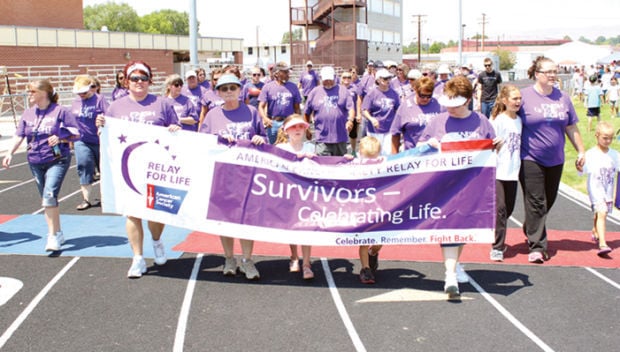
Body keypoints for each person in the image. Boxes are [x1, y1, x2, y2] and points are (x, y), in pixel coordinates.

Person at [95, 60, 181, 278]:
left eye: (143, 78)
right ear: (126, 81)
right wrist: (101, 128)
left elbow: (177, 131)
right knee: (133, 213)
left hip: (157, 168)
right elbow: (106, 135)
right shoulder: (115, 106)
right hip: (129, 169)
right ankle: (138, 258)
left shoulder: (163, 104)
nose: (139, 82)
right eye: (134, 78)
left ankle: (157, 240)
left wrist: (174, 129)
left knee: (156, 212)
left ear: (150, 81)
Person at [418, 75, 496, 298]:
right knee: (450, 227)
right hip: (445, 185)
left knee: (462, 228)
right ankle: (450, 274)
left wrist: (495, 146)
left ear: (468, 100)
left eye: (456, 104)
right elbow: (418, 146)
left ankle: (454, 264)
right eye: (448, 103)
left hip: (472, 186)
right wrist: (428, 145)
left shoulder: (482, 121)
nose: (450, 109)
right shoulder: (437, 122)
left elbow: (491, 148)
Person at [199, 73, 267, 280]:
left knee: (247, 219)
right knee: (225, 219)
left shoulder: (252, 112)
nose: (229, 92)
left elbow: (264, 138)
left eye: (232, 88)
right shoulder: (212, 115)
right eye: (224, 89)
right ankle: (229, 258)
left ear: (240, 90)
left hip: (248, 175)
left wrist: (259, 138)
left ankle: (247, 259)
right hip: (223, 176)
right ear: (218, 92)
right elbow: (202, 142)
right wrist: (217, 139)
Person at [519, 56, 586, 264]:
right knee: (536, 200)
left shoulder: (563, 98)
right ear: (537, 74)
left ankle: (531, 225)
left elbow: (571, 126)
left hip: (556, 158)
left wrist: (581, 151)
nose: (552, 75)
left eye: (555, 71)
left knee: (548, 200)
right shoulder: (523, 97)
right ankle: (537, 247)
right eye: (548, 72)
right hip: (530, 157)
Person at [2, 79, 80, 251]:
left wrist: (61, 137)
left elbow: (76, 132)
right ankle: (57, 232)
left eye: (31, 91)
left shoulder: (61, 111)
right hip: (35, 160)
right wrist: (10, 153)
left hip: (57, 159)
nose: (28, 94)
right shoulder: (28, 113)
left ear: (43, 93)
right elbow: (19, 135)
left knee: (49, 195)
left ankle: (52, 236)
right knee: (47, 199)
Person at [274, 114, 316, 280]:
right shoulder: (281, 148)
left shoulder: (311, 148)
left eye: (300, 126)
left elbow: (322, 167)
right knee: (292, 227)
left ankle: (306, 263)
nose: (297, 130)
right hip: (288, 194)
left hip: (307, 195)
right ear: (286, 130)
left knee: (307, 228)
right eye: (293, 127)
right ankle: (294, 256)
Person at [489, 85, 522, 262]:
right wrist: (495, 145)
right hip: (499, 171)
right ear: (504, 100)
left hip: (513, 171)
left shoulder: (519, 121)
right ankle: (497, 247)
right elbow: (488, 144)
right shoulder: (499, 120)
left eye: (519, 99)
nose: (518, 102)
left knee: (508, 210)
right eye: (514, 98)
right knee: (501, 210)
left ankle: (495, 229)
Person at [70, 75, 108, 210]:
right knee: (84, 164)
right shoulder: (75, 102)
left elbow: (108, 115)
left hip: (99, 140)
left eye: (84, 92)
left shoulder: (100, 100)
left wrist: (103, 120)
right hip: (82, 140)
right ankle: (86, 199)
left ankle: (106, 198)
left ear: (91, 88)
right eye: (79, 93)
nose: (82, 95)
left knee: (103, 168)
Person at [581, 121, 618, 256]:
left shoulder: (614, 154)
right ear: (597, 136)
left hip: (607, 188)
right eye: (605, 138)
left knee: (602, 213)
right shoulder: (591, 154)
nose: (608, 141)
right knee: (602, 212)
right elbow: (582, 170)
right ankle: (603, 244)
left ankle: (595, 230)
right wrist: (579, 166)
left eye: (610, 138)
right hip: (595, 188)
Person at [304, 66, 354, 156]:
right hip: (322, 138)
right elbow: (306, 112)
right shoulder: (314, 92)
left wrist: (350, 120)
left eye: (330, 79)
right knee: (323, 166)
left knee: (340, 165)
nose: (328, 81)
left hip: (340, 137)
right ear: (321, 78)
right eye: (325, 79)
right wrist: (307, 128)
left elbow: (351, 108)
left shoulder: (343, 91)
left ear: (334, 77)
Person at [355, 136, 383, 284]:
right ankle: (365, 269)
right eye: (367, 158)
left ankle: (374, 252)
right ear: (360, 153)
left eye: (374, 158)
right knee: (365, 239)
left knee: (380, 239)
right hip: (363, 207)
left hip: (381, 207)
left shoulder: (384, 164)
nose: (370, 161)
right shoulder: (356, 164)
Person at [390, 76, 442, 154]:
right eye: (422, 95)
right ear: (415, 91)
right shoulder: (405, 107)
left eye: (429, 96)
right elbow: (395, 133)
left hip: (434, 155)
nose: (425, 99)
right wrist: (394, 156)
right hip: (413, 154)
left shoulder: (437, 105)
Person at [258, 61, 302, 144]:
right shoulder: (268, 87)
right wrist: (265, 119)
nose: (288, 74)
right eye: (285, 72)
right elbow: (261, 106)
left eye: (288, 72)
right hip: (273, 122)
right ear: (277, 74)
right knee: (273, 148)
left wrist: (297, 121)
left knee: (290, 147)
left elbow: (297, 108)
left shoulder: (293, 87)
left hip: (289, 122)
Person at [361, 68, 400, 156]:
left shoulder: (394, 94)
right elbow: (364, 110)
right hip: (374, 130)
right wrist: (372, 119)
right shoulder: (372, 94)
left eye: (389, 78)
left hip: (389, 129)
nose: (388, 81)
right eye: (385, 78)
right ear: (378, 80)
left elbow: (398, 109)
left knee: (387, 154)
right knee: (375, 153)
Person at [341, 70, 362, 156]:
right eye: (344, 77)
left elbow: (358, 101)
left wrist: (359, 114)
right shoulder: (338, 88)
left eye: (349, 77)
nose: (347, 79)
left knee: (353, 135)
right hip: (342, 116)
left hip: (352, 115)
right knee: (341, 134)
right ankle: (342, 151)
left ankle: (353, 151)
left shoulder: (355, 88)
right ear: (341, 79)